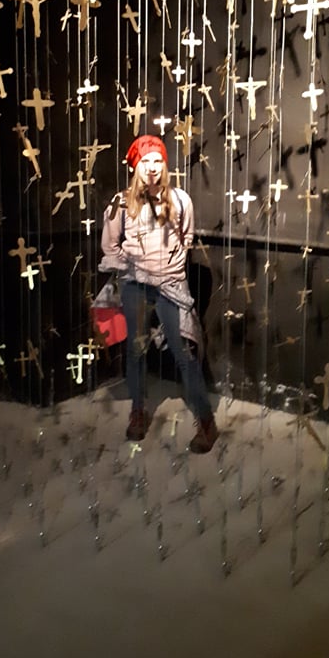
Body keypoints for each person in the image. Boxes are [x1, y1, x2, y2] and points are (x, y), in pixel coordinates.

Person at [99, 134, 218, 453]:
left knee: (184, 353)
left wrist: (169, 268)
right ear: (135, 166)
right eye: (145, 161)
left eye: (157, 161)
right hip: (135, 287)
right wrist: (134, 267)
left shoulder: (180, 200)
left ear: (164, 165)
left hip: (170, 287)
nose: (151, 167)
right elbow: (109, 245)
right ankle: (138, 411)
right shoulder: (121, 203)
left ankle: (206, 421)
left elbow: (187, 237)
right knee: (136, 351)